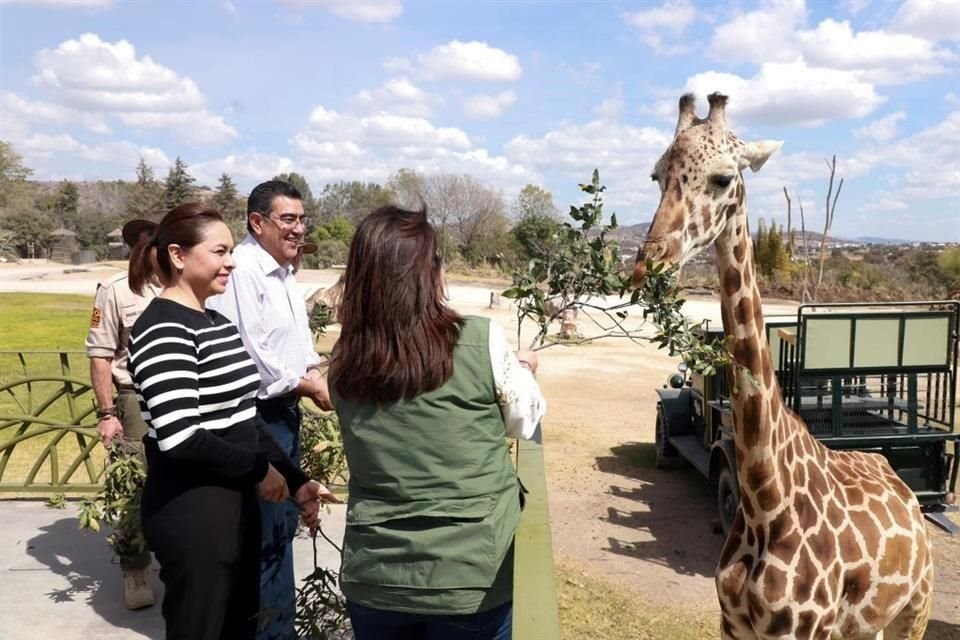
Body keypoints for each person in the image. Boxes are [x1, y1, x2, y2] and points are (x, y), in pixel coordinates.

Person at [328, 205, 546, 640]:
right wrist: (521, 369)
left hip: (375, 571)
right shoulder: (479, 340)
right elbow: (523, 420)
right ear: (428, 273)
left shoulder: (343, 361)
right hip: (470, 575)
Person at [125, 202, 337, 640]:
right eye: (220, 251)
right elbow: (181, 436)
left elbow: (244, 417)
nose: (232, 261)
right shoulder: (163, 328)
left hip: (234, 508)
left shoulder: (215, 321)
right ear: (179, 256)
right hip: (193, 512)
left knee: (239, 626)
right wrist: (260, 471)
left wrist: (296, 479)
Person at [206, 180, 329, 639]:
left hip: (284, 413)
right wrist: (307, 384)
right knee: (265, 538)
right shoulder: (245, 272)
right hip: (257, 417)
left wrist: (314, 373)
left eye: (302, 219)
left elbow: (292, 347)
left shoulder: (283, 272)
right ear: (257, 223)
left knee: (279, 532)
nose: (299, 229)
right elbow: (250, 358)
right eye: (288, 220)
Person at [84, 213, 164, 610]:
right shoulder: (116, 290)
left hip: (185, 398)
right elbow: (100, 356)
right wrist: (106, 412)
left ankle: (176, 555)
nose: (152, 246)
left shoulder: (191, 284)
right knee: (135, 484)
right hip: (134, 397)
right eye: (146, 240)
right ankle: (135, 567)